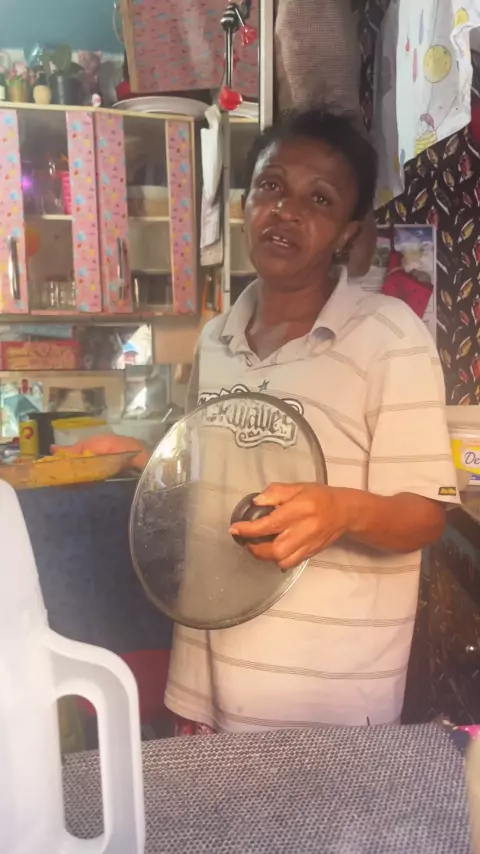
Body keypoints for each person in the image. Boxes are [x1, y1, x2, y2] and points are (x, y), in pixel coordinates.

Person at [67, 108, 458, 733]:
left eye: (320, 199)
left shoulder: (389, 337)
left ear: (348, 233)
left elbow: (425, 517)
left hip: (326, 705)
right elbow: (211, 479)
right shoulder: (217, 338)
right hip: (204, 680)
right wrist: (140, 455)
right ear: (246, 203)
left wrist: (341, 511)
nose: (287, 210)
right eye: (271, 186)